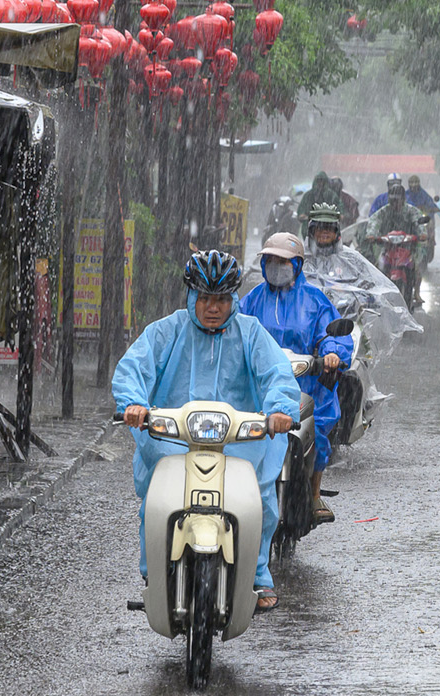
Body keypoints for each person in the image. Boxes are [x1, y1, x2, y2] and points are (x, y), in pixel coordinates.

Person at [111, 250, 301, 612]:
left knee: (260, 502)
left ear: (234, 300)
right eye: (205, 299)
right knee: (157, 501)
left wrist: (279, 410)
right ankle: (155, 570)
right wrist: (133, 403)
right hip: (173, 439)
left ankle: (257, 575)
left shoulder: (251, 333)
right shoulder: (167, 330)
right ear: (191, 297)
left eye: (222, 299)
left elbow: (277, 372)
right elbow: (135, 365)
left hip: (239, 443)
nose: (213, 307)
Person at [238, 232, 355, 521]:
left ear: (298, 265)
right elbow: (236, 331)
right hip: (261, 384)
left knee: (318, 435)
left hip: (305, 383)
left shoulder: (314, 300)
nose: (276, 266)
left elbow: (330, 332)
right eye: (271, 260)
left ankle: (314, 494)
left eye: (284, 261)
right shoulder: (252, 300)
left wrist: (331, 354)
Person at [303, 203, 422, 358]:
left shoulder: (352, 259)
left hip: (346, 321)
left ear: (337, 232)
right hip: (307, 322)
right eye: (319, 228)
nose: (324, 232)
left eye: (329, 228)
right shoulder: (299, 258)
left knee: (360, 361)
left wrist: (369, 298)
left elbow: (369, 284)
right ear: (311, 231)